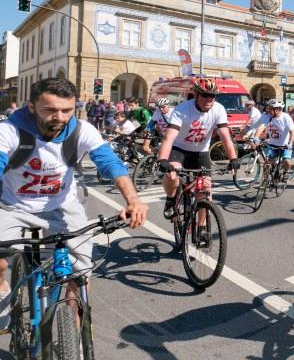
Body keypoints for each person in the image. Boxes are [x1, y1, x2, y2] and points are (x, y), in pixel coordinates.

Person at [0, 79, 148, 329]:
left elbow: (110, 163)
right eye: (50, 110)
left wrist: (133, 200)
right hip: (13, 205)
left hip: (62, 205)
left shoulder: (82, 130)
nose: (59, 117)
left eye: (67, 110)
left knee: (80, 272)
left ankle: (74, 334)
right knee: (1, 261)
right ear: (32, 107)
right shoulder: (10, 130)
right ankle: (3, 291)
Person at [158, 78, 239, 241]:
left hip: (200, 152)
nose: (209, 99)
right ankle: (171, 198)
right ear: (195, 94)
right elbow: (169, 138)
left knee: (205, 191)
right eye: (205, 95)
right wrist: (162, 160)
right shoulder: (182, 109)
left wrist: (233, 159)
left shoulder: (218, 109)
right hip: (180, 150)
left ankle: (200, 227)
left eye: (213, 96)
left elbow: (225, 137)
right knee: (172, 175)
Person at [254, 99, 294, 175]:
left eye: (270, 108)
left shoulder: (285, 117)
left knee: (286, 161)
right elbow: (262, 127)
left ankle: (285, 172)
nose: (268, 110)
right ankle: (264, 182)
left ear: (278, 109)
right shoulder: (268, 116)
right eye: (268, 108)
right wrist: (256, 137)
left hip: (285, 145)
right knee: (267, 163)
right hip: (272, 144)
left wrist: (290, 144)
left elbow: (292, 132)